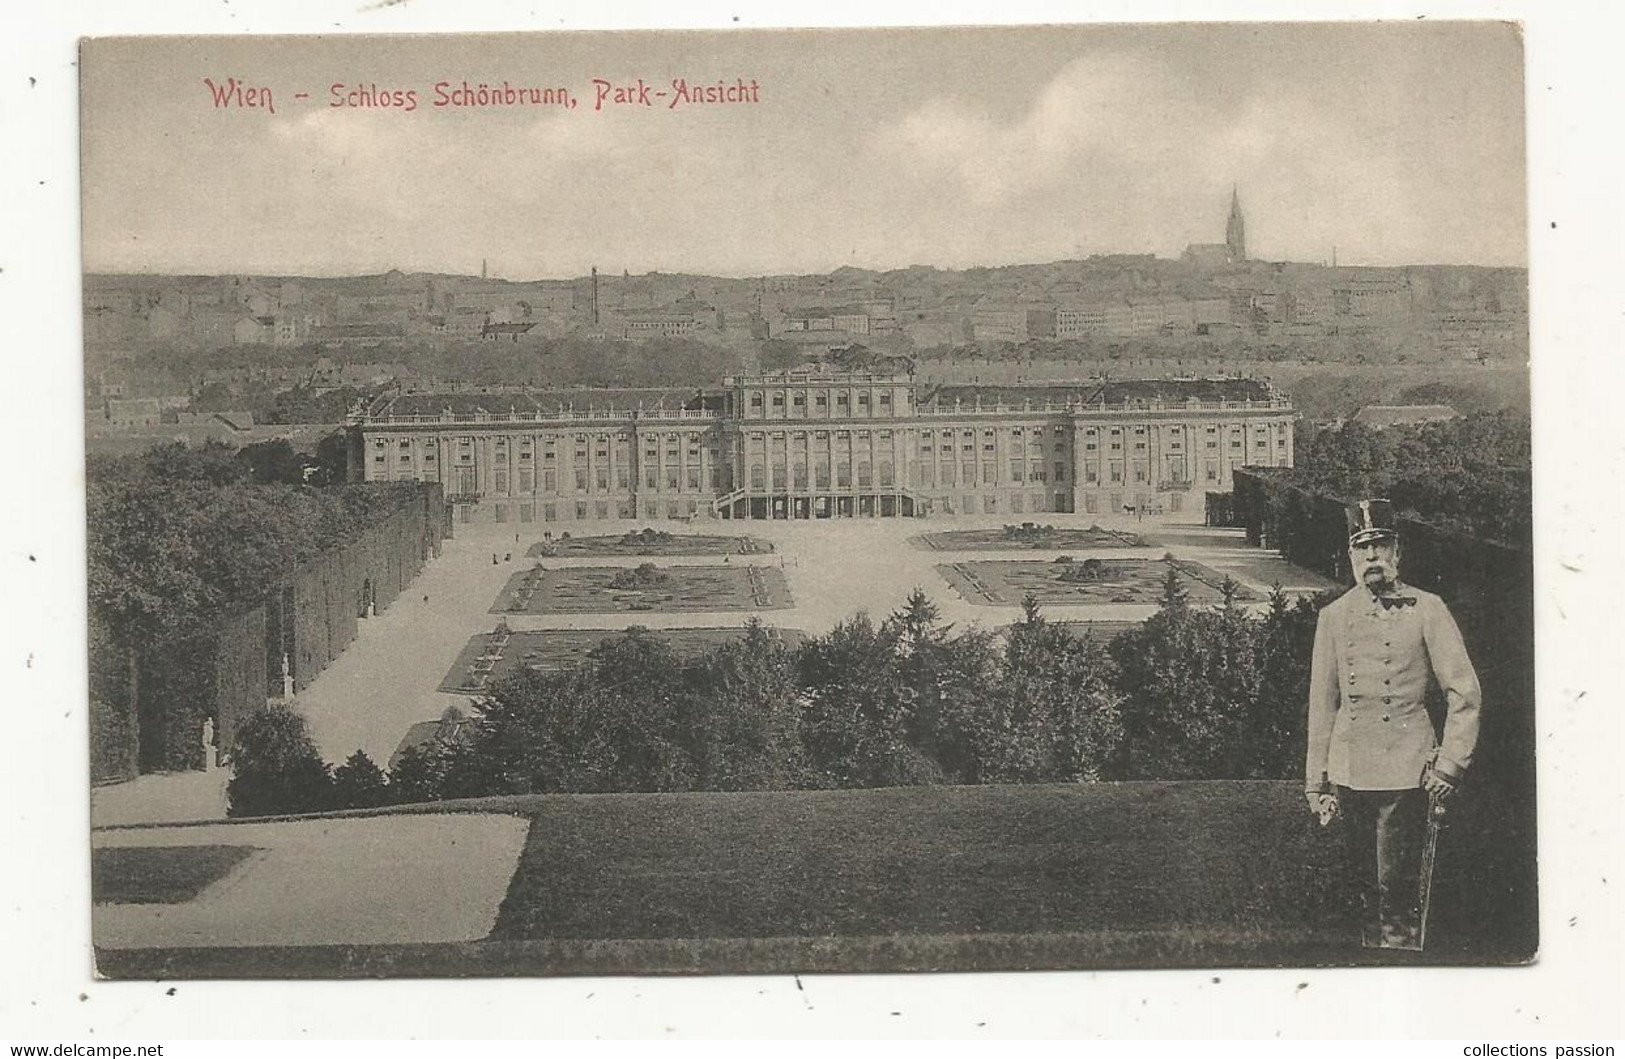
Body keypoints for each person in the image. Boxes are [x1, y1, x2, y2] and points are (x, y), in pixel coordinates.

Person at [1305, 498, 1482, 950]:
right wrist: (1317, 783)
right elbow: (1322, 706)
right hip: (1349, 771)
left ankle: (1400, 965)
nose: (1372, 558)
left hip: (1407, 774)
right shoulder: (1333, 617)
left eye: (1380, 546)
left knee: (1396, 889)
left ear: (1397, 553)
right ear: (1350, 557)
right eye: (1362, 549)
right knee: (1359, 891)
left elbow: (1464, 691)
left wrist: (1449, 764)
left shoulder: (1428, 608)